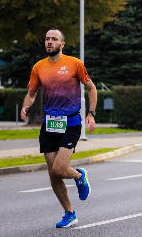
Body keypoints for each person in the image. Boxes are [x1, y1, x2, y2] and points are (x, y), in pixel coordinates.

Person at [20, 29, 97, 228]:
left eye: (54, 39)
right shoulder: (39, 67)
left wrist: (91, 113)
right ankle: (69, 213)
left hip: (70, 123)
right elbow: (31, 92)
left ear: (62, 44)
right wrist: (25, 105)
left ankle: (80, 175)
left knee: (60, 168)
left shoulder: (74, 64)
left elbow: (91, 87)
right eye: (47, 38)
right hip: (49, 123)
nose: (49, 42)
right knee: (53, 173)